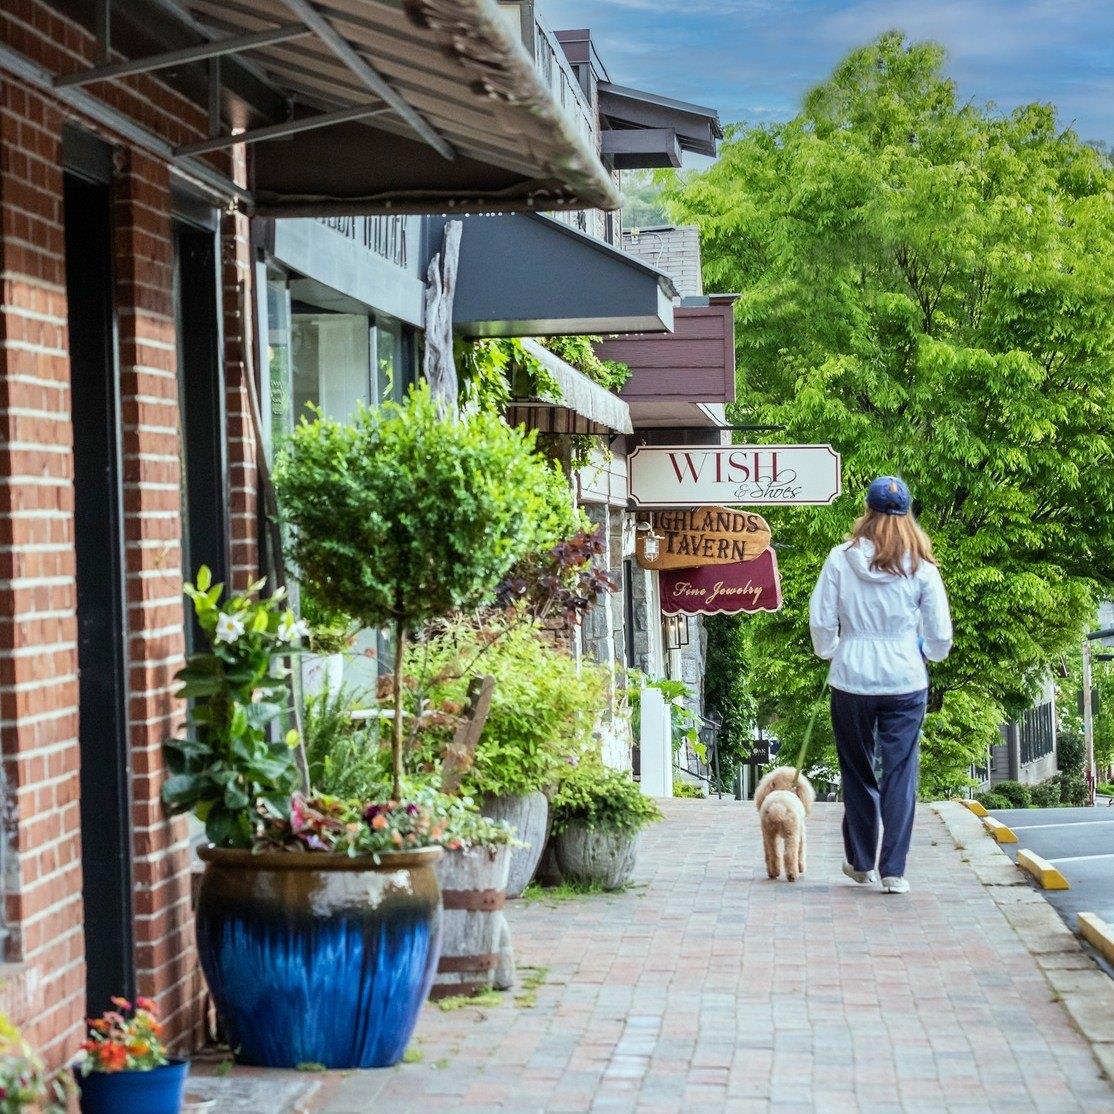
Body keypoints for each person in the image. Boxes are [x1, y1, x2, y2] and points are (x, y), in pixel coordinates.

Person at [808, 476, 952, 894]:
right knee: (900, 773)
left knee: (856, 771)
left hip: (851, 676)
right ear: (907, 516)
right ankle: (893, 871)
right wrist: (928, 653)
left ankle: (860, 862)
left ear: (867, 513)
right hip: (905, 678)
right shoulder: (922, 568)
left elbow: (821, 620)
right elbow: (940, 632)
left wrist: (833, 649)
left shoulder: (840, 558)